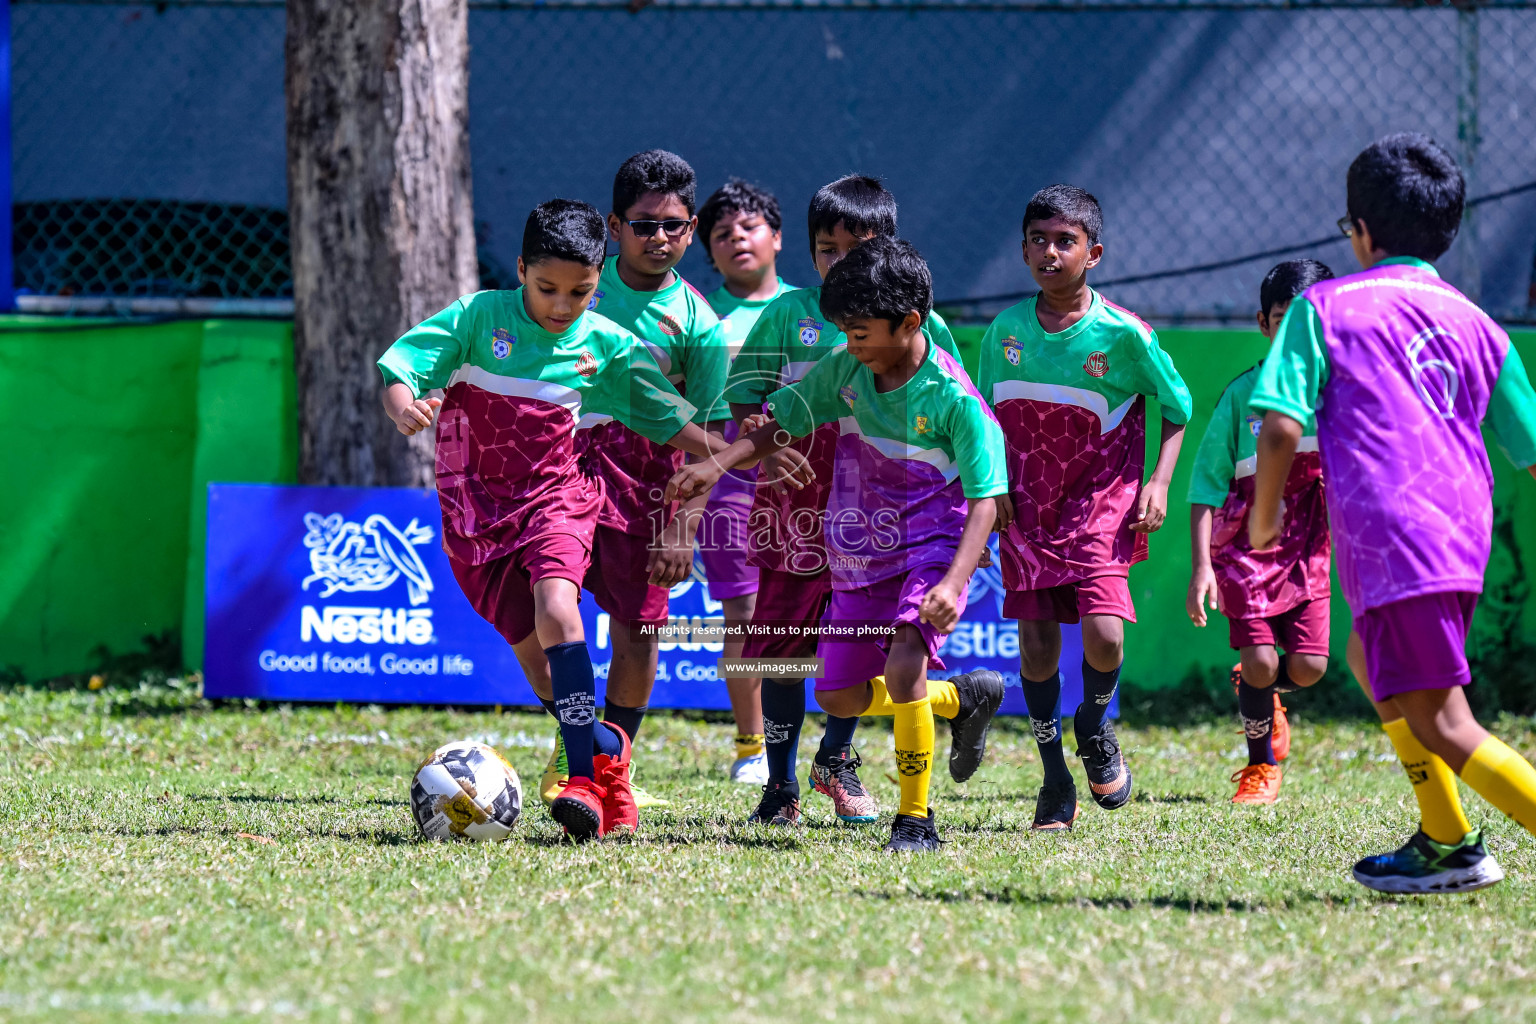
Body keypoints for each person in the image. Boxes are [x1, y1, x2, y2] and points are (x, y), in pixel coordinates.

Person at [376, 199, 723, 840]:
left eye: (581, 292)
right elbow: (403, 369)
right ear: (520, 271)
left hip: (557, 499)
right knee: (533, 654)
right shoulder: (481, 317)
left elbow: (670, 417)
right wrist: (404, 408)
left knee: (561, 613)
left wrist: (738, 453)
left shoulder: (606, 345)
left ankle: (587, 778)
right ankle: (605, 761)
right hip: (475, 512)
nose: (562, 306)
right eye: (547, 289)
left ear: (598, 282)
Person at [1250, 132, 1536, 893]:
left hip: (1396, 537)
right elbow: (1532, 445)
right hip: (1459, 534)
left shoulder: (1322, 307)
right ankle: (1448, 840)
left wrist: (1264, 517)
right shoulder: (1481, 324)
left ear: (1361, 231)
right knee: (1367, 661)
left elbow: (1279, 423)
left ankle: (1458, 842)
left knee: (1446, 721)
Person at [669, 238, 1007, 851]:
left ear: (910, 323)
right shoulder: (848, 370)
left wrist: (955, 582)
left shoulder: (956, 400)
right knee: (837, 693)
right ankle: (961, 697)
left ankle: (915, 819)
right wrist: (717, 465)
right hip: (859, 552)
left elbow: (985, 499)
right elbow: (781, 422)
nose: (849, 344)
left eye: (860, 332)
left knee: (904, 663)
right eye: (844, 332)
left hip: (931, 549)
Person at [721, 174, 969, 827]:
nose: (838, 263)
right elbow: (744, 396)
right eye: (826, 249)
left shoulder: (923, 325)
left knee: (859, 647)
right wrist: (770, 451)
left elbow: (948, 413)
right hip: (794, 512)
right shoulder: (787, 315)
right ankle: (779, 787)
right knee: (783, 648)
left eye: (854, 249)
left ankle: (835, 758)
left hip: (881, 521)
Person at [978, 185, 1192, 831]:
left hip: (1101, 503)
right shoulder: (1005, 330)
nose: (1050, 252)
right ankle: (1052, 780)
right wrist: (993, 491)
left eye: (1065, 241)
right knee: (1038, 651)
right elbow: (984, 417)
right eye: (1038, 240)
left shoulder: (1124, 335)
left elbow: (1177, 408)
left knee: (1103, 634)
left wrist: (1157, 483)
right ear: (1022, 249)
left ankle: (1095, 725)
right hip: (1026, 506)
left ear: (1093, 252)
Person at [539, 150, 729, 808]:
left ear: (692, 227)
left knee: (638, 629)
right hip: (563, 466)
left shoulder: (701, 326)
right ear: (614, 226)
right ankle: (577, 740)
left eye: (674, 226)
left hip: (652, 481)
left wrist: (683, 527)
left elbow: (712, 439)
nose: (660, 239)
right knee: (544, 605)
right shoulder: (578, 285)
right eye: (645, 225)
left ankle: (610, 765)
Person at [1186, 259, 1335, 805]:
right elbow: (1204, 488)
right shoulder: (1240, 398)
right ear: (1263, 324)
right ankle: (1259, 767)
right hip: (1244, 553)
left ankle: (1259, 690)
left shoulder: (1340, 399)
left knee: (1311, 667)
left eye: (1310, 323)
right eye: (1283, 320)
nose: (1295, 334)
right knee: (1262, 661)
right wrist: (1202, 566)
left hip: (1308, 554)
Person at [696, 178, 795, 786]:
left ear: (778, 238)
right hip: (733, 484)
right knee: (746, 613)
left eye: (750, 227)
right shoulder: (702, 321)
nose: (737, 239)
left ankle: (824, 741)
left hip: (808, 484)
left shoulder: (811, 313)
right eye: (722, 234)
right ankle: (751, 746)